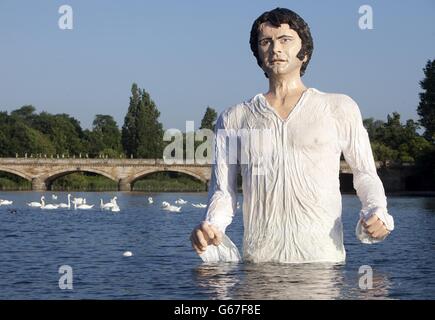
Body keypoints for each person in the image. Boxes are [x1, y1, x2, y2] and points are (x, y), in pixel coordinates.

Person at [190, 7, 394, 263]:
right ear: (258, 54)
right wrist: (212, 225)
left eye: (285, 40)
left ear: (304, 52)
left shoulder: (339, 108)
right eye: (266, 41)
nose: (275, 48)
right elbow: (223, 191)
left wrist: (377, 211)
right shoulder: (234, 118)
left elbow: (365, 174)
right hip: (260, 267)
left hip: (322, 264)